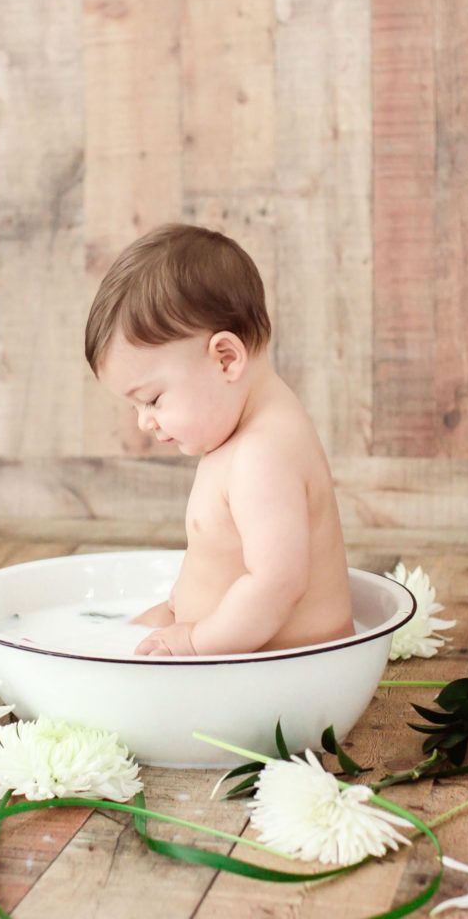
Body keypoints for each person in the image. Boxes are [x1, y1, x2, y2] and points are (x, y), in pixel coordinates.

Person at [84, 223, 355, 656]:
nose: (144, 422)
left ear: (226, 359)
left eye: (152, 399)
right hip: (232, 647)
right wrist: (180, 608)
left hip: (282, 669)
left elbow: (277, 583)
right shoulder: (244, 426)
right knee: (107, 637)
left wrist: (194, 640)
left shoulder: (263, 454)